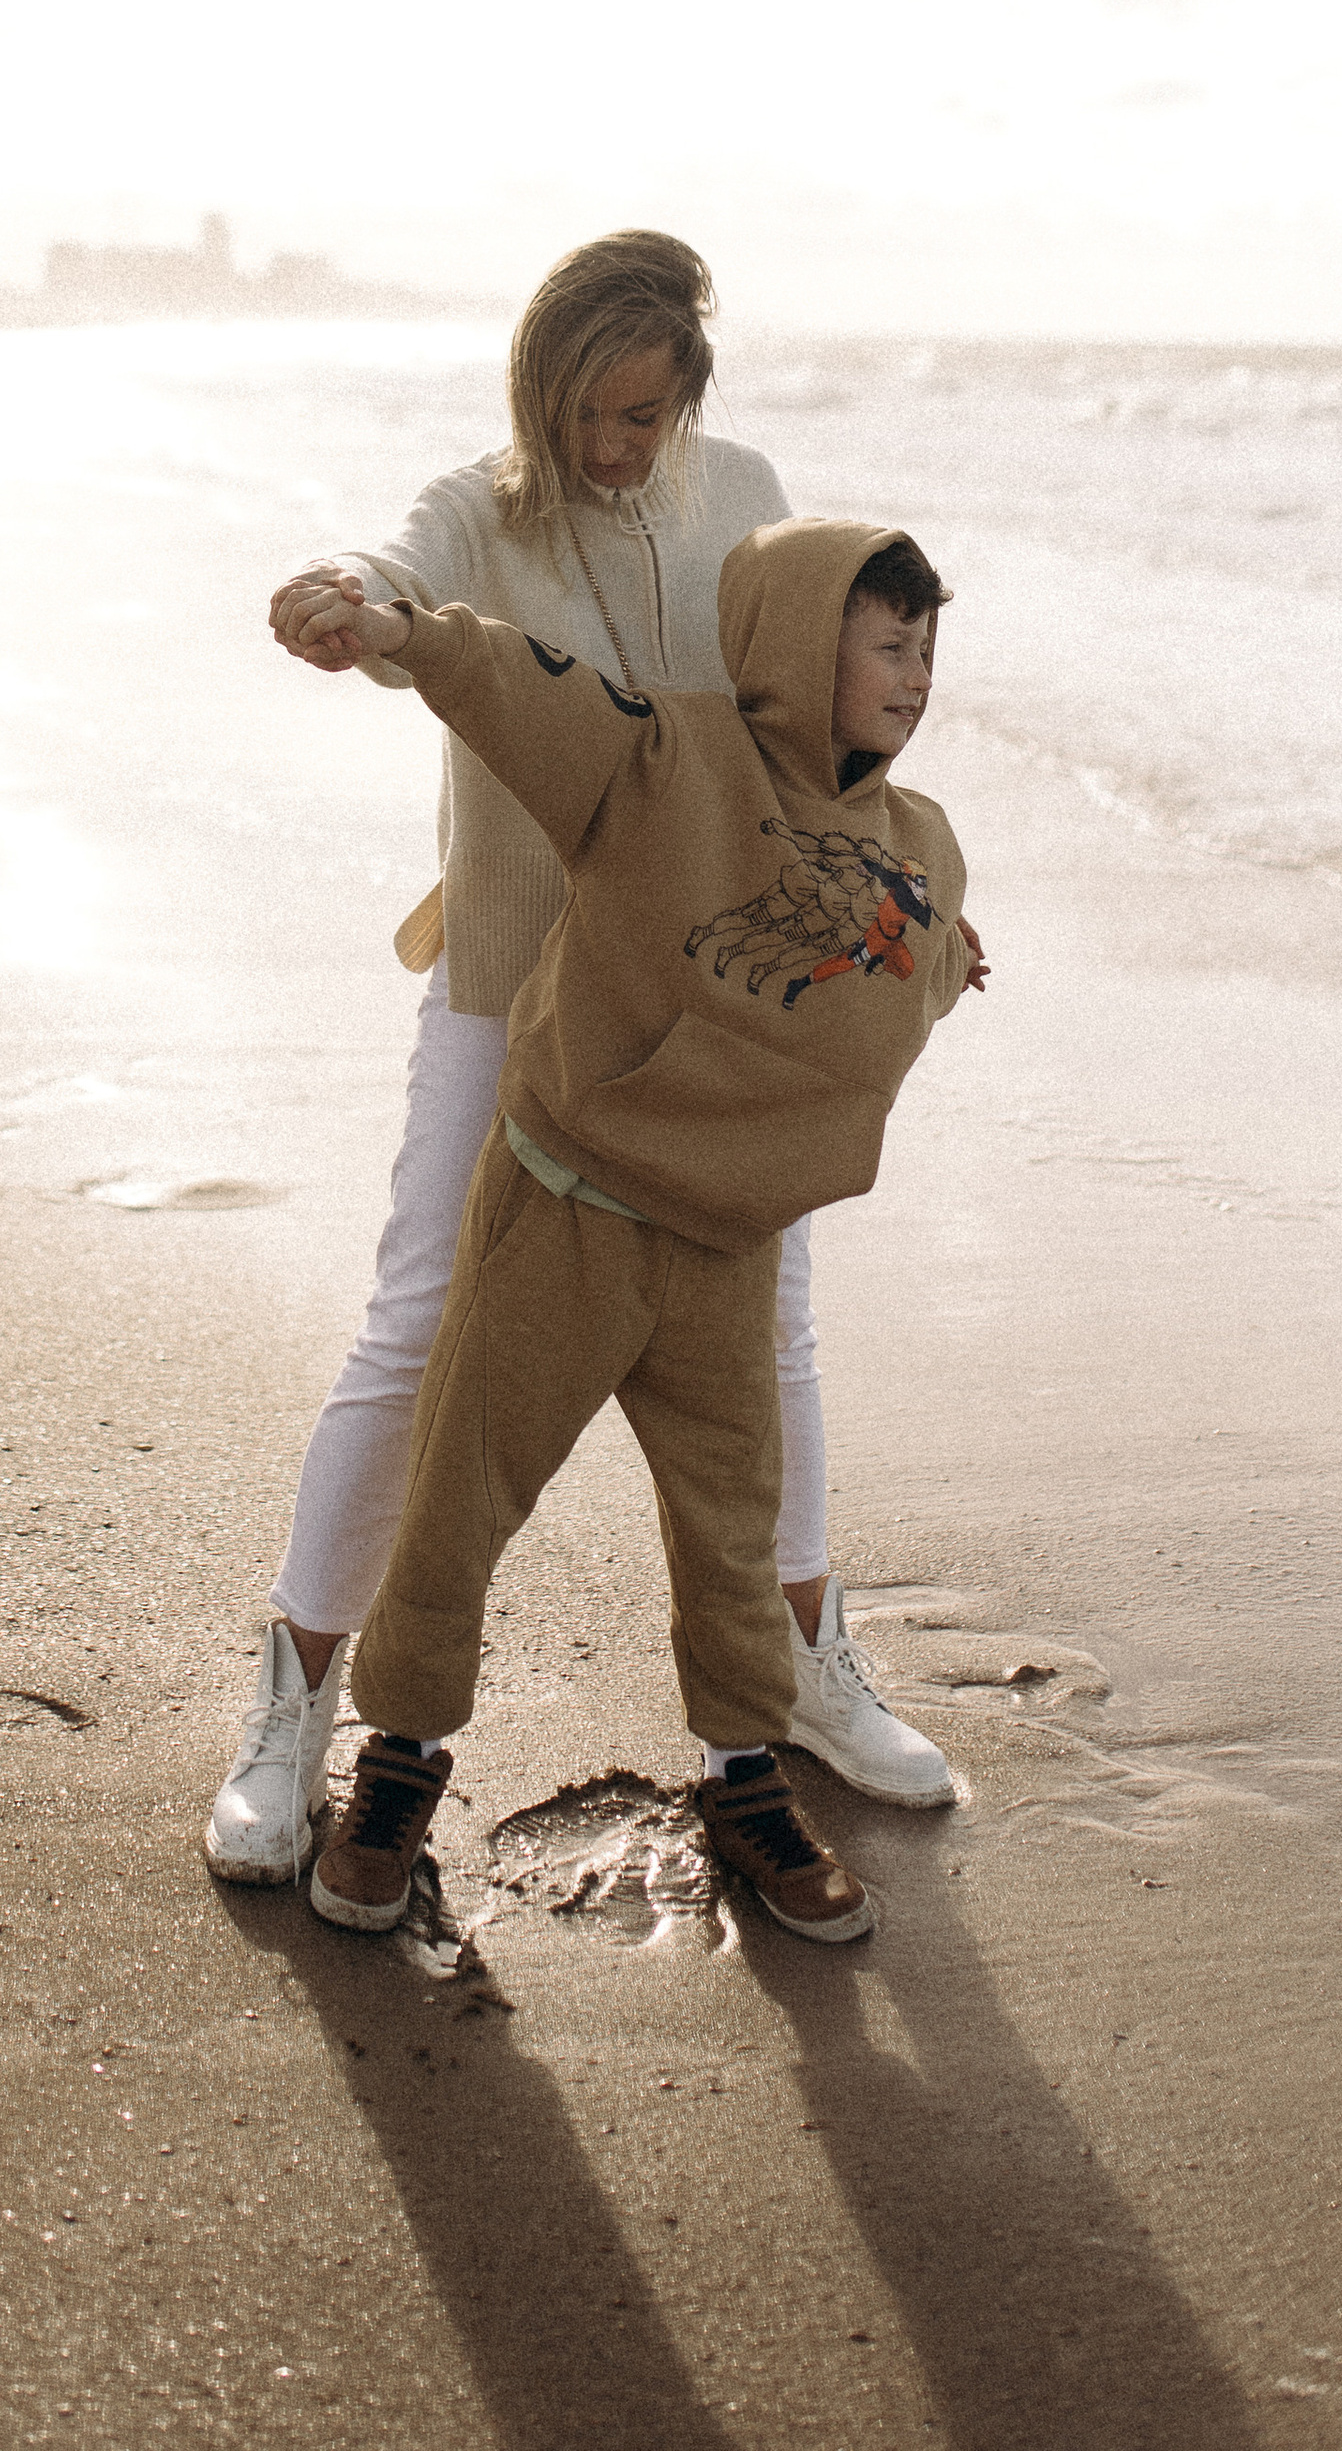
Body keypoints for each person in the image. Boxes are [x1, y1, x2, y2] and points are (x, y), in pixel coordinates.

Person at [204, 234, 954, 1889]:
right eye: (591, 414)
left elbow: (799, 684)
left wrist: (894, 911)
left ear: (690, 396)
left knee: (775, 1332)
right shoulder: (480, 506)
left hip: (706, 1009)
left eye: (647, 413)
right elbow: (399, 582)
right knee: (421, 1323)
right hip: (511, 975)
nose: (618, 447)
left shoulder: (738, 484)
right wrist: (349, 604)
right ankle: (295, 1707)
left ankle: (807, 1674)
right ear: (536, 390)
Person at [297, 518, 977, 1944]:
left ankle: (743, 1779)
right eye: (889, 645)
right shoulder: (665, 758)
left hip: (731, 1249)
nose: (917, 675)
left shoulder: (920, 843)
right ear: (802, 649)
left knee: (733, 1538)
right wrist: (400, 627)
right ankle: (400, 1759)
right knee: (461, 1500)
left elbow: (895, 965)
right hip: (569, 1217)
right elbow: (508, 679)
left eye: (930, 647)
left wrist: (945, 954)